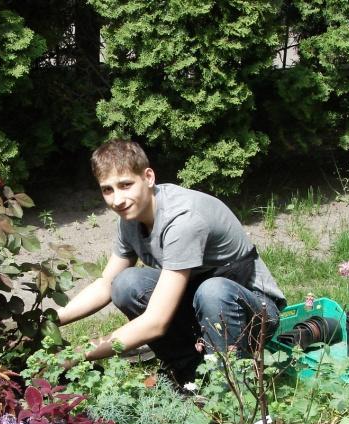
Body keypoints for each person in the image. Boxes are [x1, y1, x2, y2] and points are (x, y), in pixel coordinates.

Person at [55, 139, 286, 383]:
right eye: (107, 189)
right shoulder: (131, 218)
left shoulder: (182, 219)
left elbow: (156, 322)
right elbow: (105, 283)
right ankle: (187, 372)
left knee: (213, 290)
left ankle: (228, 387)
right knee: (125, 284)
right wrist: (47, 321)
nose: (117, 200)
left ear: (148, 177)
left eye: (125, 185)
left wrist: (76, 355)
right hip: (201, 305)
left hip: (254, 312)